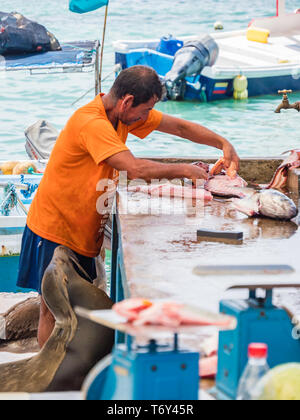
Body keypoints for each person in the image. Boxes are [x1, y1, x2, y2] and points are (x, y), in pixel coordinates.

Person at [17, 65, 240, 348]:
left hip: (84, 231)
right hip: (54, 228)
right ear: (127, 101)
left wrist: (223, 143)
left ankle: (72, 369)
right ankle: (49, 383)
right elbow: (134, 169)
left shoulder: (122, 117)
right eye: (144, 111)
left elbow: (178, 126)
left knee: (78, 310)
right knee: (52, 309)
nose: (145, 118)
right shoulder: (92, 122)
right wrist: (184, 170)